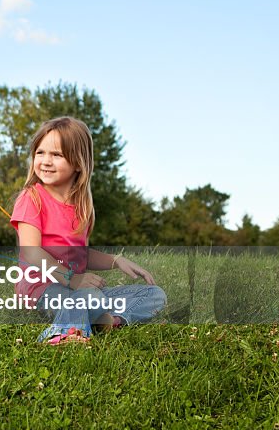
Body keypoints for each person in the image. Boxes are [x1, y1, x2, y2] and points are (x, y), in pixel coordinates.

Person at [10, 116, 166, 345]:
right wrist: (72, 279)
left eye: (57, 155)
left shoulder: (81, 208)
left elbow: (79, 254)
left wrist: (116, 260)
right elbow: (32, 253)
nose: (45, 161)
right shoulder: (31, 198)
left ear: (78, 163)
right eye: (40, 152)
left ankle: (109, 321)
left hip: (77, 290)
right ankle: (63, 334)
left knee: (154, 295)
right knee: (89, 297)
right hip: (41, 289)